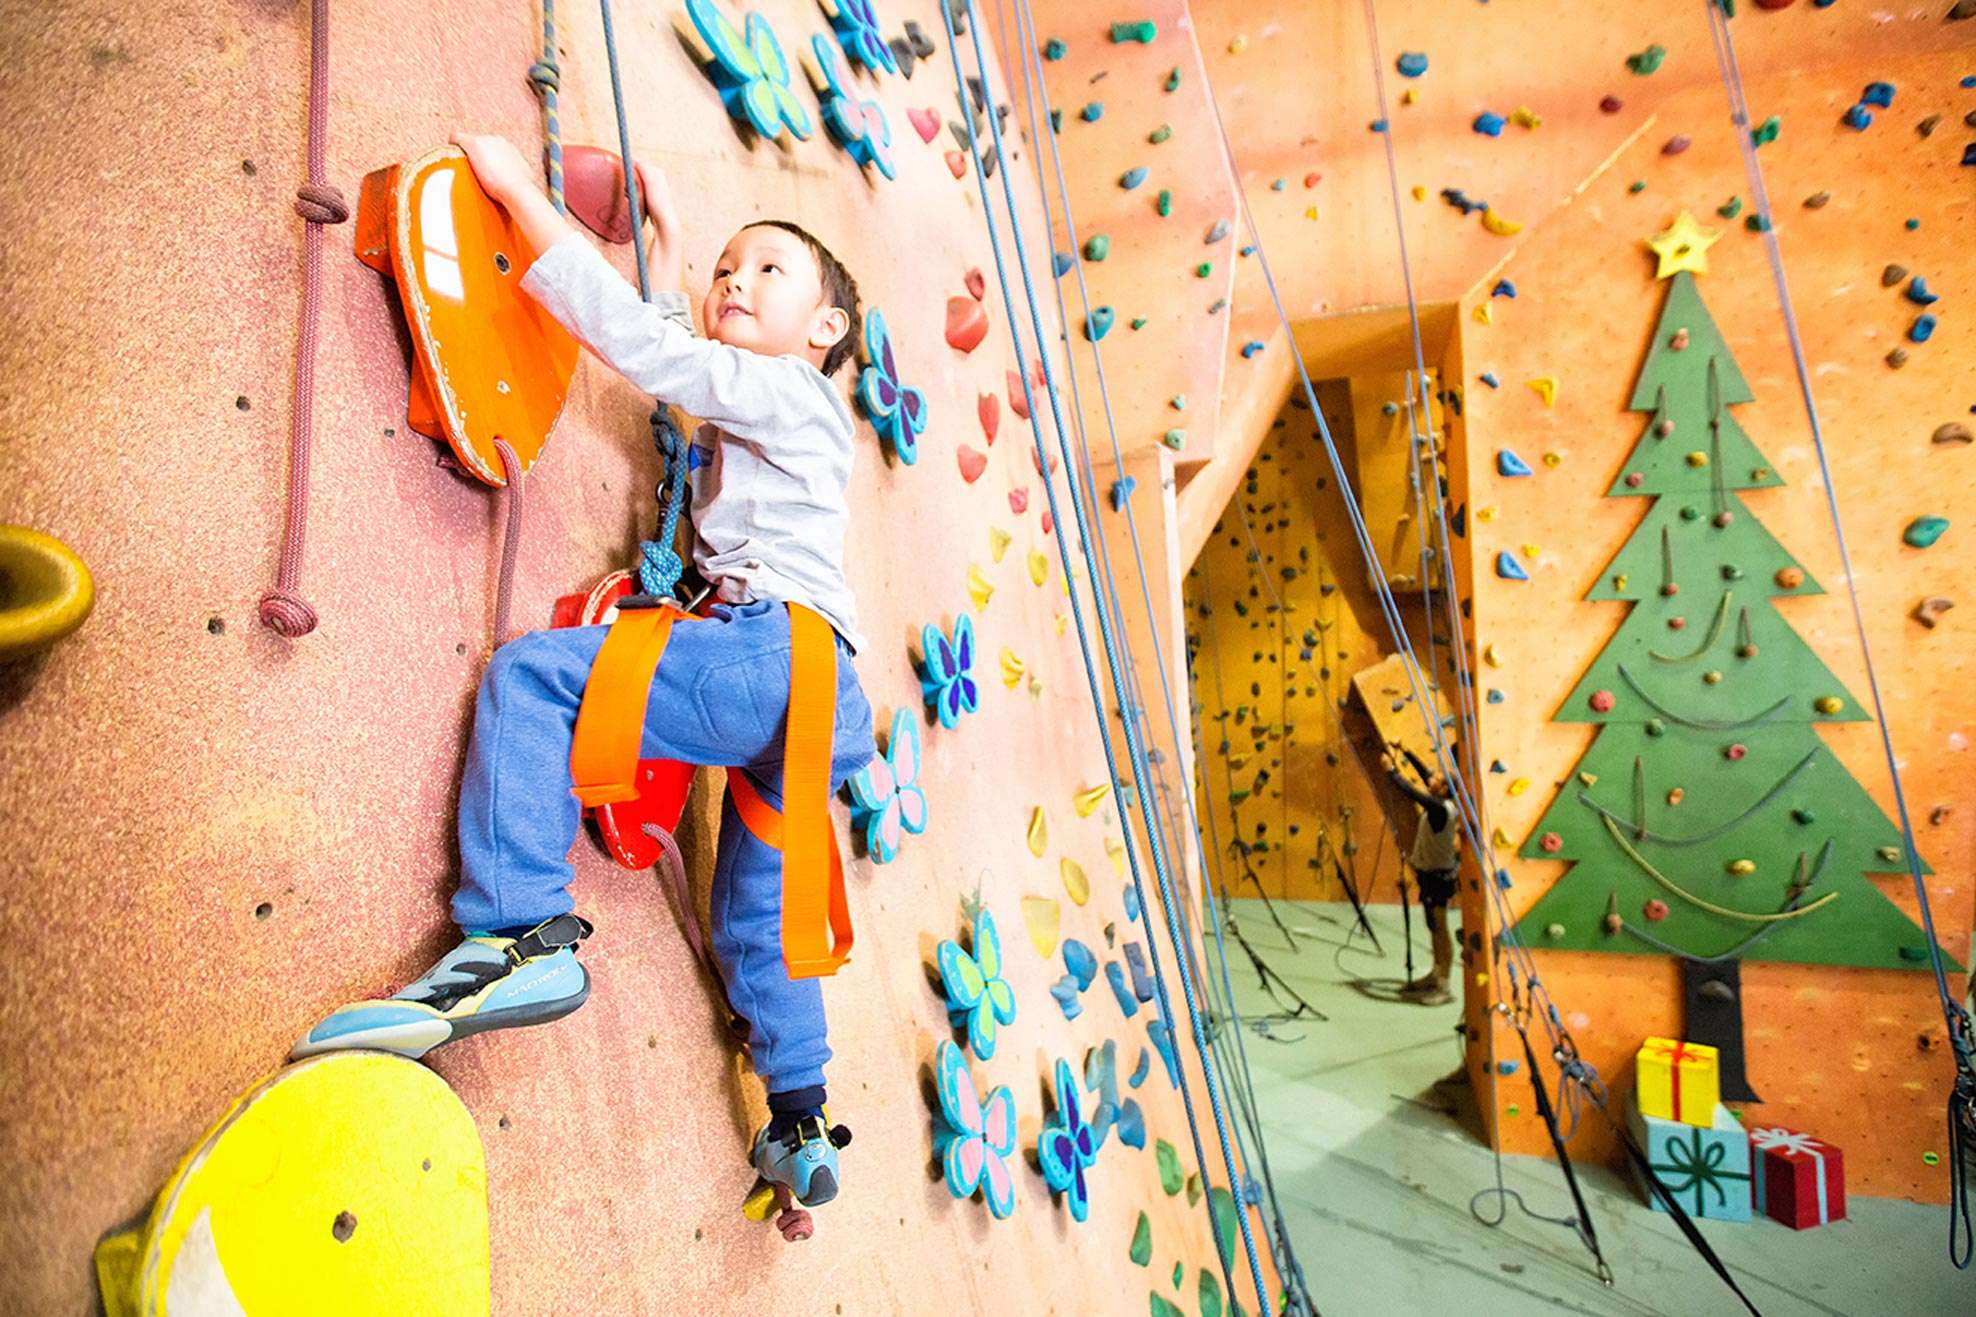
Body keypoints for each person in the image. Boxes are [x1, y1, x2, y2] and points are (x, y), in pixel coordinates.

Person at [291, 133, 877, 1212]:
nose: (734, 279)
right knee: (761, 905)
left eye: (767, 268)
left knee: (537, 681)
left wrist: (518, 193)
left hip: (768, 652)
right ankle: (800, 1110)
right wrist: (666, 247)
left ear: (825, 330)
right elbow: (679, 343)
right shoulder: (772, 407)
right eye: (725, 267)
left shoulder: (794, 393)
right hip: (816, 694)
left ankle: (516, 928)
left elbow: (656, 355)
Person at [1382, 744, 1459, 1006]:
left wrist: (1391, 772)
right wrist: (1405, 751)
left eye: (1436, 779)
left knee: (1440, 929)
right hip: (1429, 874)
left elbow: (1410, 792)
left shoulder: (1440, 809)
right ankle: (1436, 974)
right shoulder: (1440, 801)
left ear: (1444, 789)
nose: (1430, 779)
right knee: (1433, 926)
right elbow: (1424, 774)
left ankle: (1444, 986)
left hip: (1439, 877)